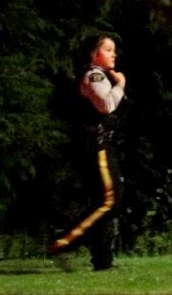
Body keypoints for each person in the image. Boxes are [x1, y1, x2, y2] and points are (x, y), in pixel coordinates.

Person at [49, 35, 128, 271]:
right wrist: (121, 85)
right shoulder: (95, 75)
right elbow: (106, 105)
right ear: (94, 54)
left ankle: (103, 261)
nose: (114, 54)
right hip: (96, 147)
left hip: (102, 146)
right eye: (108, 49)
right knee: (111, 201)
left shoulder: (101, 75)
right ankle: (63, 243)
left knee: (104, 202)